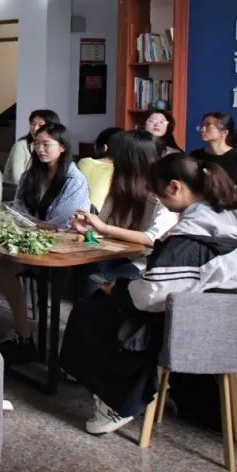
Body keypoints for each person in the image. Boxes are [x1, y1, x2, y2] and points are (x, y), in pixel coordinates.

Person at [60, 154, 237, 436]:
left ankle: (118, 401)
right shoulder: (223, 217)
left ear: (175, 187)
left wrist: (117, 289)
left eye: (158, 194)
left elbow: (149, 297)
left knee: (94, 309)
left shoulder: (189, 238)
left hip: (196, 329)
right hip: (223, 320)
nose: (158, 200)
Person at [0, 123, 89, 361]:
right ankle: (23, 334)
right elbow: (18, 210)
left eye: (47, 144)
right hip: (32, 243)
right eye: (36, 144)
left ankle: (40, 345)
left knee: (4, 264)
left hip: (62, 247)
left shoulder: (74, 179)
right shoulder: (31, 175)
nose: (40, 149)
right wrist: (35, 224)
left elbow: (62, 223)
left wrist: (32, 223)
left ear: (62, 147)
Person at [70, 131, 178, 298]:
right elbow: (105, 228)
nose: (113, 162)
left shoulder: (162, 194)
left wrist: (103, 228)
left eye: (118, 157)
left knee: (95, 282)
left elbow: (152, 239)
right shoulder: (120, 187)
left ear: (132, 161)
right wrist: (89, 229)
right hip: (116, 255)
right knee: (84, 272)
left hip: (144, 264)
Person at [4, 110, 61, 185]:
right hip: (15, 188)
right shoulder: (21, 145)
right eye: (32, 124)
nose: (35, 128)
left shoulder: (56, 146)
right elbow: (18, 179)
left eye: (40, 125)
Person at [77, 127, 122, 213]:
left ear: (105, 147)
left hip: (84, 214)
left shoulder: (85, 162)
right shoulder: (126, 169)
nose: (94, 146)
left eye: (95, 143)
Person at [191, 111, 237, 184]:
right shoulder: (195, 156)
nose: (202, 129)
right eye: (202, 126)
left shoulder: (235, 156)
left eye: (208, 126)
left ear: (224, 132)